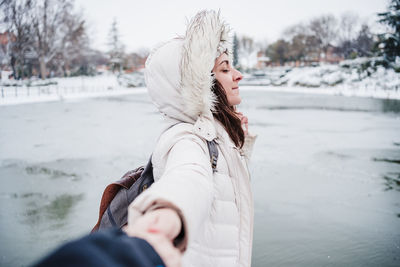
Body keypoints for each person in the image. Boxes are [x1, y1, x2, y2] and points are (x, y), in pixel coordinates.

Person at [124, 9, 257, 267]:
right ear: (201, 84)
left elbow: (224, 189)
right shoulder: (188, 139)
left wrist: (239, 142)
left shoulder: (212, 134)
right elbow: (189, 178)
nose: (238, 74)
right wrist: (164, 216)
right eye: (225, 68)